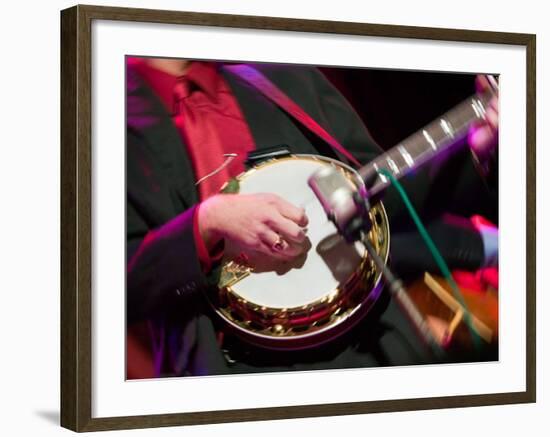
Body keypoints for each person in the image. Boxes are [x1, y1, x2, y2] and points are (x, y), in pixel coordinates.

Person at [126, 57, 498, 378]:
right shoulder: (104, 124)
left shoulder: (282, 75)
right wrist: (204, 225)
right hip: (242, 377)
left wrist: (474, 148)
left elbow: (384, 201)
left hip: (377, 342)